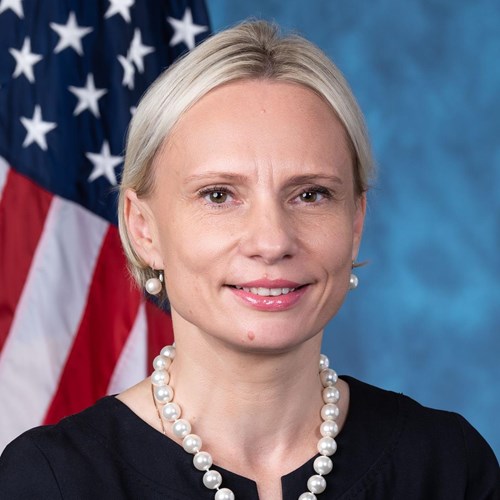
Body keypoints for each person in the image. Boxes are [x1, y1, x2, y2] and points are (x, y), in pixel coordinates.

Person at [0, 20, 498, 500]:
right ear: (143, 228)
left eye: (311, 194)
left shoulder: (448, 466)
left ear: (355, 223)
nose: (272, 241)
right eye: (218, 195)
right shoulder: (48, 480)